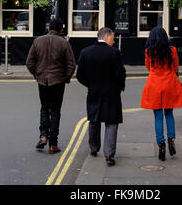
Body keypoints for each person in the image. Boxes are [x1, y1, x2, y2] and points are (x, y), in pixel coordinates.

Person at [76, 27, 126, 166]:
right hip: (111, 93)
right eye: (113, 38)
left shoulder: (85, 52)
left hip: (93, 91)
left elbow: (80, 75)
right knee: (111, 122)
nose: (114, 41)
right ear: (107, 37)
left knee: (94, 120)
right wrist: (118, 87)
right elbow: (120, 74)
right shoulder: (114, 53)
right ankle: (109, 155)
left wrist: (91, 84)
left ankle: (94, 148)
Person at [26, 19, 76, 154]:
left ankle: (43, 135)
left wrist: (37, 75)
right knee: (55, 110)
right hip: (58, 81)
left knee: (44, 108)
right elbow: (71, 64)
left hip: (43, 81)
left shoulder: (38, 41)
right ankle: (53, 143)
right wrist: (66, 78)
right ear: (61, 30)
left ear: (48, 28)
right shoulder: (64, 43)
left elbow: (29, 62)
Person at [141, 26, 182, 161]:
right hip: (169, 83)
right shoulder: (172, 50)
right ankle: (171, 140)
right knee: (169, 113)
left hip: (154, 84)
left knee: (158, 117)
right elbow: (176, 67)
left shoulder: (148, 51)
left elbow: (148, 67)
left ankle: (161, 144)